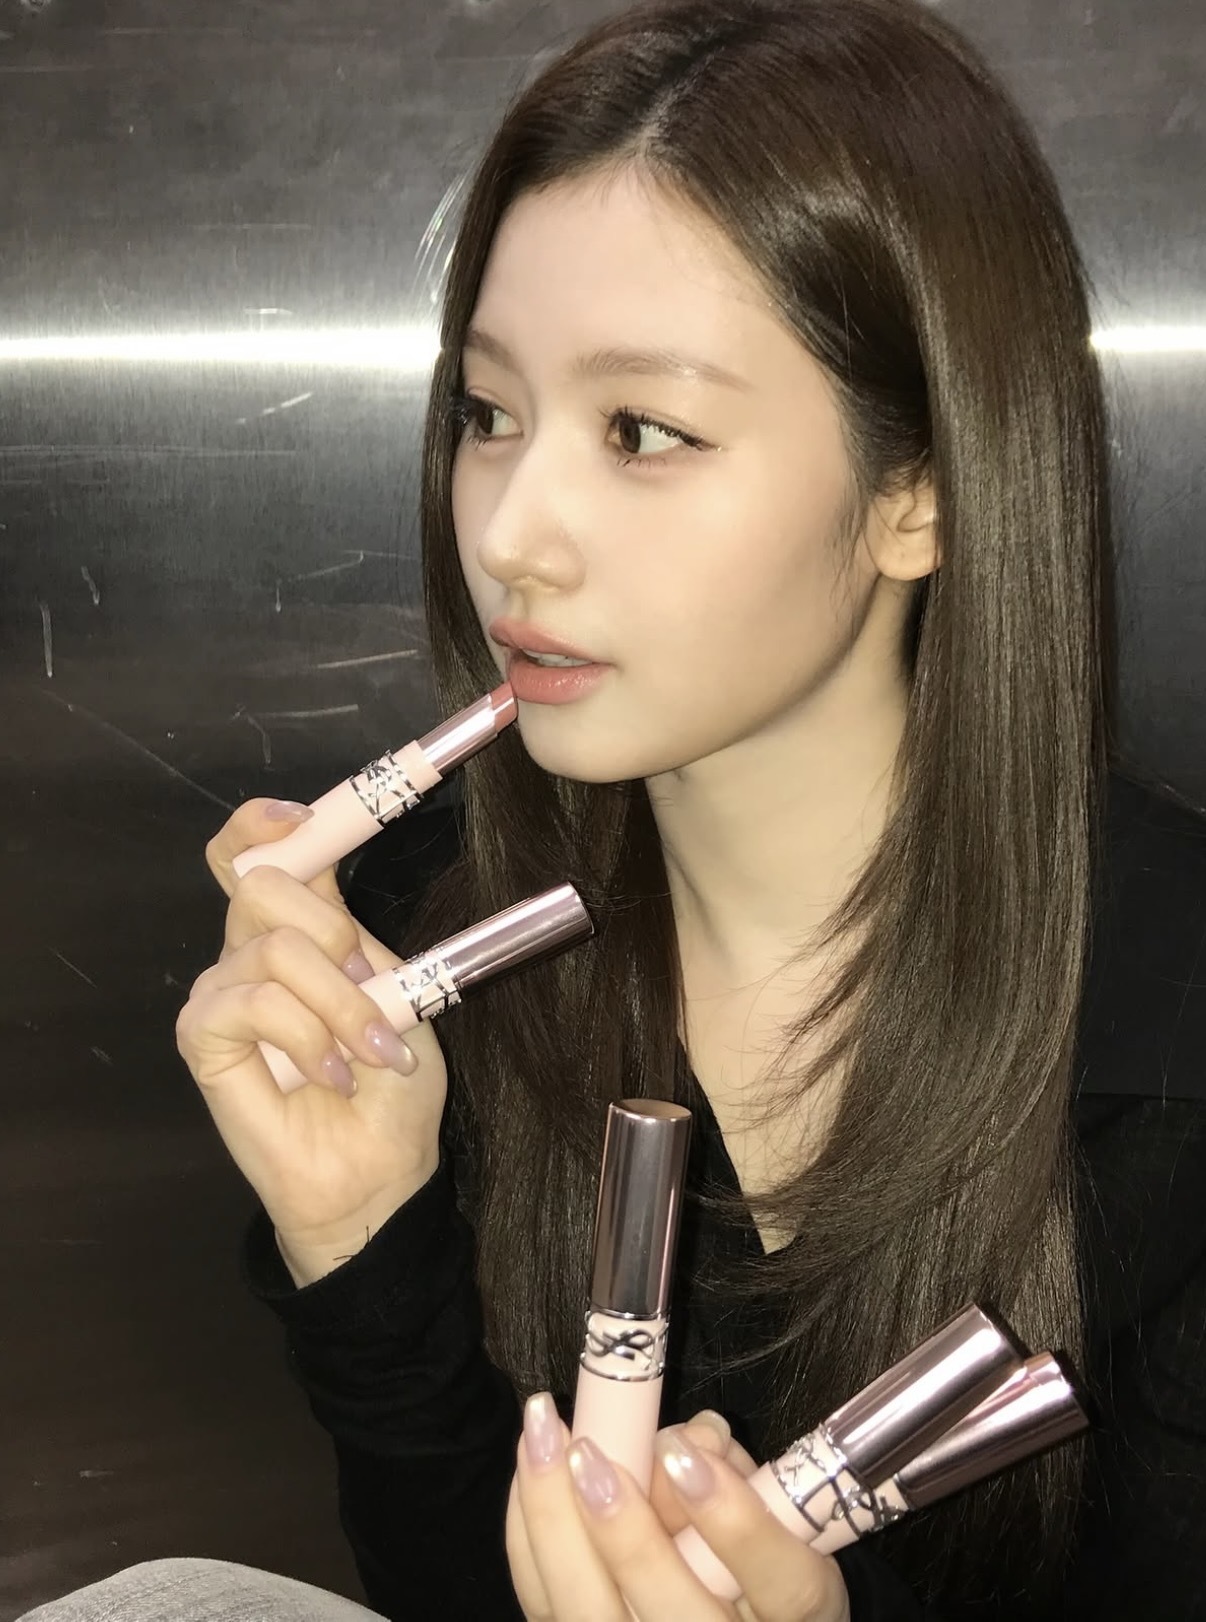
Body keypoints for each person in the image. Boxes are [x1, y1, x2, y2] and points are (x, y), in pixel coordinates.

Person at [21, 1, 1206, 1619]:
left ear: (918, 489)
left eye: (642, 431)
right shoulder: (431, 942)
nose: (512, 533)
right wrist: (358, 1233)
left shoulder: (1165, 1032)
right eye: (488, 414)